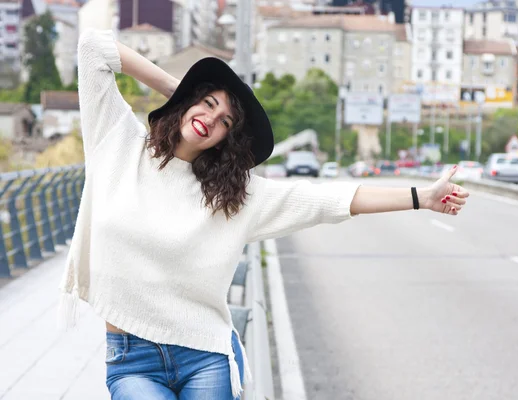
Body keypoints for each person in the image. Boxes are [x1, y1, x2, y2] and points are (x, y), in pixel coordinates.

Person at [58, 29, 469, 400]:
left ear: (227, 139)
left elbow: (330, 201)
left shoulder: (234, 197)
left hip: (204, 356)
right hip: (133, 360)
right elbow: (93, 47)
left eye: (224, 121)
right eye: (206, 104)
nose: (210, 119)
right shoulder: (118, 143)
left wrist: (421, 197)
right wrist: (179, 90)